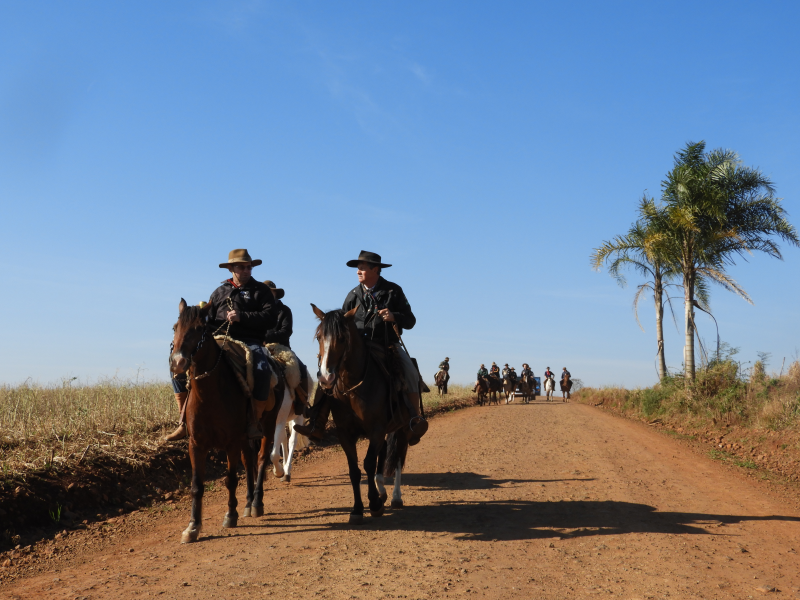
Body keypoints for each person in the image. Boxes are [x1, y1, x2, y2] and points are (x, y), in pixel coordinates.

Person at [294, 250, 428, 445]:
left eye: (362, 268)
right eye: (358, 268)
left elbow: (410, 320)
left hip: (387, 344)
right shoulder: (353, 295)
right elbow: (341, 323)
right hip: (356, 347)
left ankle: (413, 421)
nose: (358, 271)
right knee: (327, 372)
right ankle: (316, 422)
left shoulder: (393, 291)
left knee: (410, 372)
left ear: (375, 269)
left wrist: (394, 316)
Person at [165, 249, 278, 442]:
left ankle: (254, 421)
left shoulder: (261, 291)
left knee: (262, 370)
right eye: (241, 267)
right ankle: (184, 422)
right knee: (178, 366)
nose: (246, 270)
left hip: (250, 341)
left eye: (249, 267)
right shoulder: (219, 292)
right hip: (219, 339)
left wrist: (243, 317)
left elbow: (271, 318)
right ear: (231, 269)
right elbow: (209, 321)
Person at [262, 280, 292, 348]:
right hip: (256, 344)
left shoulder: (285, 310)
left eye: (270, 292)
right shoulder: (256, 309)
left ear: (275, 293)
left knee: (288, 355)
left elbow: (286, 331)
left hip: (280, 346)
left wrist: (266, 338)